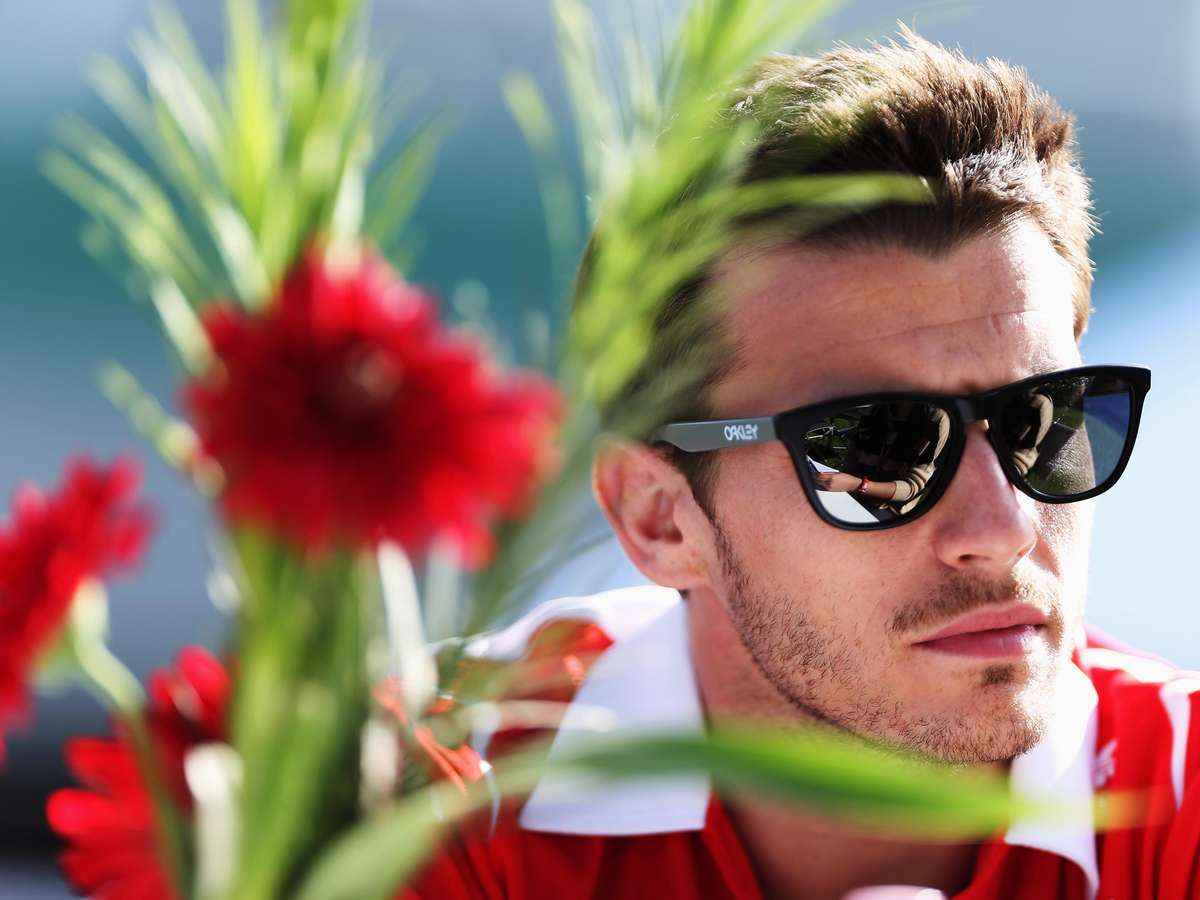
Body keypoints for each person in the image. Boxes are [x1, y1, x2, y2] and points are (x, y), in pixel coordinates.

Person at [405, 32, 1197, 900]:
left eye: (1040, 423)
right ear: (657, 516)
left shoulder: (1183, 791)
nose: (1002, 528)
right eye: (877, 448)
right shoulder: (416, 802)